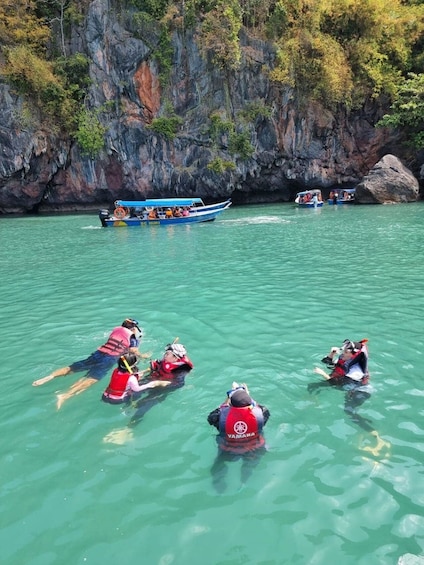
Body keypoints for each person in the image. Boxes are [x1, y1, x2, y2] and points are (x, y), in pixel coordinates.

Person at [32, 319, 150, 409]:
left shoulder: (116, 330)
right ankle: (65, 395)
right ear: (133, 328)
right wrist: (143, 356)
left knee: (74, 367)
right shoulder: (132, 336)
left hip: (99, 353)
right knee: (92, 378)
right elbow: (133, 351)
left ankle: (50, 376)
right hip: (109, 359)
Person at [308, 339, 389, 454]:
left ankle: (374, 433)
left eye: (346, 352)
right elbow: (327, 362)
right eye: (343, 351)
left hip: (360, 392)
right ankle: (313, 399)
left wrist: (323, 374)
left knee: (349, 411)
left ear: (353, 355)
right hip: (348, 387)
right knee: (313, 386)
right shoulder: (345, 359)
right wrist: (332, 354)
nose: (342, 353)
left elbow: (337, 385)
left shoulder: (356, 372)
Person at [207, 383, 270, 492]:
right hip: (254, 448)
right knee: (249, 466)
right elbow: (257, 407)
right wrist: (247, 393)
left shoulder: (219, 417)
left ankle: (220, 489)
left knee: (218, 466)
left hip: (229, 450)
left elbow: (210, 418)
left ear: (230, 404)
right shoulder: (262, 413)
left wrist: (228, 398)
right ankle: (243, 483)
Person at [127, 342, 194, 427]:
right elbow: (157, 366)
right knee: (131, 391)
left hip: (161, 389)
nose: (165, 355)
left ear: (175, 358)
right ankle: (128, 405)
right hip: (153, 378)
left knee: (145, 405)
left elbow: (179, 384)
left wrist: (159, 383)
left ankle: (130, 427)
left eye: (167, 354)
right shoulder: (167, 359)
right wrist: (142, 373)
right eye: (166, 353)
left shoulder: (181, 369)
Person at [102, 353, 169, 404]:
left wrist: (146, 371)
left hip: (105, 396)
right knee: (138, 394)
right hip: (117, 400)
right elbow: (137, 389)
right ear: (133, 365)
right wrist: (153, 384)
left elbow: (127, 377)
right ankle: (130, 406)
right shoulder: (131, 378)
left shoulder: (116, 370)